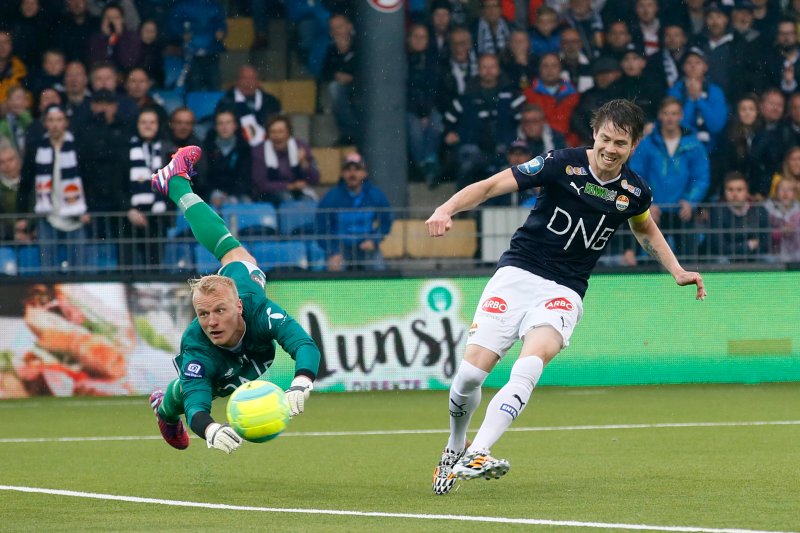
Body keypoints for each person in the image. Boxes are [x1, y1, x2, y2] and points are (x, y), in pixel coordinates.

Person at [426, 99, 706, 495]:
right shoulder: (561, 163)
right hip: (517, 274)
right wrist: (446, 208)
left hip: (564, 290)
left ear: (633, 146)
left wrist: (677, 270)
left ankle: (481, 451)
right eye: (606, 139)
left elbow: (645, 229)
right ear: (595, 133)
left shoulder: (634, 191)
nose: (611, 149)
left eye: (621, 144)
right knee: (470, 375)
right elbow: (491, 186)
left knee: (534, 359)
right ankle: (456, 444)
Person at [148, 144, 321, 453]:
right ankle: (163, 411)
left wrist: (303, 380)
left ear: (238, 305)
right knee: (201, 386)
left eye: (219, 310)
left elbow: (303, 344)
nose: (211, 322)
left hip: (252, 333)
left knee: (238, 255)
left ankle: (175, 182)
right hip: (221, 366)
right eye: (203, 314)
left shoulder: (257, 307)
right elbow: (197, 405)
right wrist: (210, 428)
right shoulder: (197, 344)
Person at [316, 152, 392, 271]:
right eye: (348, 170)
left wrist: (374, 240)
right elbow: (320, 227)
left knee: (380, 271)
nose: (352, 174)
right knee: (333, 270)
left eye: (357, 169)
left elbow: (386, 221)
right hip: (340, 247)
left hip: (366, 246)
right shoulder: (332, 197)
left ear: (364, 173)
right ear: (342, 173)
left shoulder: (375, 195)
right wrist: (332, 250)